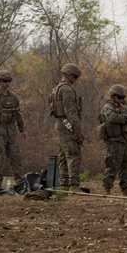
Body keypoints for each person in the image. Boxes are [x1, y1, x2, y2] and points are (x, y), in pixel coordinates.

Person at [0, 69, 28, 194]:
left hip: (11, 130)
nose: (6, 83)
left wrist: (22, 129)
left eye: (8, 81)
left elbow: (18, 114)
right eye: (4, 81)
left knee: (16, 157)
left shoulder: (13, 97)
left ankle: (20, 183)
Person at [49, 63, 84, 192]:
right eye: (75, 76)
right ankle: (74, 186)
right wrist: (77, 130)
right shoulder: (67, 90)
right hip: (67, 125)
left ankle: (64, 185)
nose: (75, 80)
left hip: (59, 123)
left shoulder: (56, 88)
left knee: (63, 155)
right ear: (69, 75)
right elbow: (71, 112)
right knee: (73, 154)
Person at [99, 84, 127, 196]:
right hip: (114, 141)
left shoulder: (121, 107)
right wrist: (126, 119)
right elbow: (112, 117)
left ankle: (125, 189)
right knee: (112, 165)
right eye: (120, 97)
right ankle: (107, 188)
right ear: (113, 96)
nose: (122, 100)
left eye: (123, 98)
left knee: (125, 166)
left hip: (124, 140)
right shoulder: (108, 107)